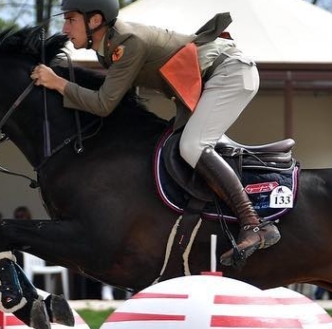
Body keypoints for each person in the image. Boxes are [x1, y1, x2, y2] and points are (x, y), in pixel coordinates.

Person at [31, 0, 279, 263]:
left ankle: (254, 224)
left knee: (192, 146)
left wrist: (57, 83)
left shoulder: (127, 42)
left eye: (70, 20)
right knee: (176, 145)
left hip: (229, 73)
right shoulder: (108, 47)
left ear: (95, 20)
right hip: (213, 78)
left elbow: (103, 104)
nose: (64, 28)